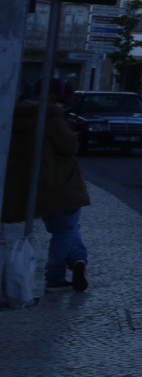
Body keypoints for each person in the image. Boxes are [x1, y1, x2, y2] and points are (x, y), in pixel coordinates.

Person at [2, 79, 90, 292]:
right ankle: (55, 276)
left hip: (34, 185)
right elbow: (69, 146)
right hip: (60, 182)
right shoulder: (50, 115)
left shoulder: (15, 115)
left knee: (66, 227)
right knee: (65, 230)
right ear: (51, 96)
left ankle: (78, 259)